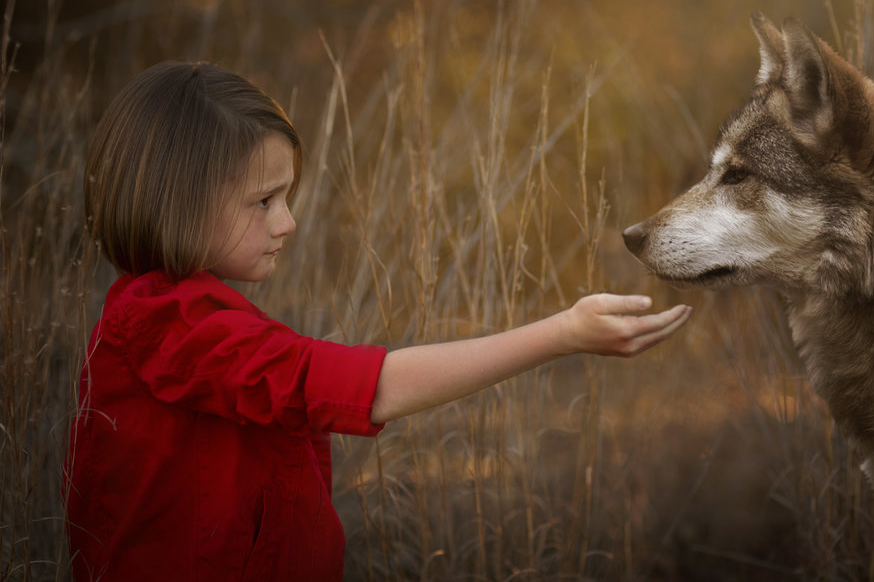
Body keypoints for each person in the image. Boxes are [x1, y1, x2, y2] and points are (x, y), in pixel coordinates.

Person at [65, 61, 692, 581]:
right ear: (180, 200)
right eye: (262, 201)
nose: (286, 222)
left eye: (287, 197)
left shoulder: (196, 314)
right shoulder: (165, 324)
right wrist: (561, 334)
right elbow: (361, 386)